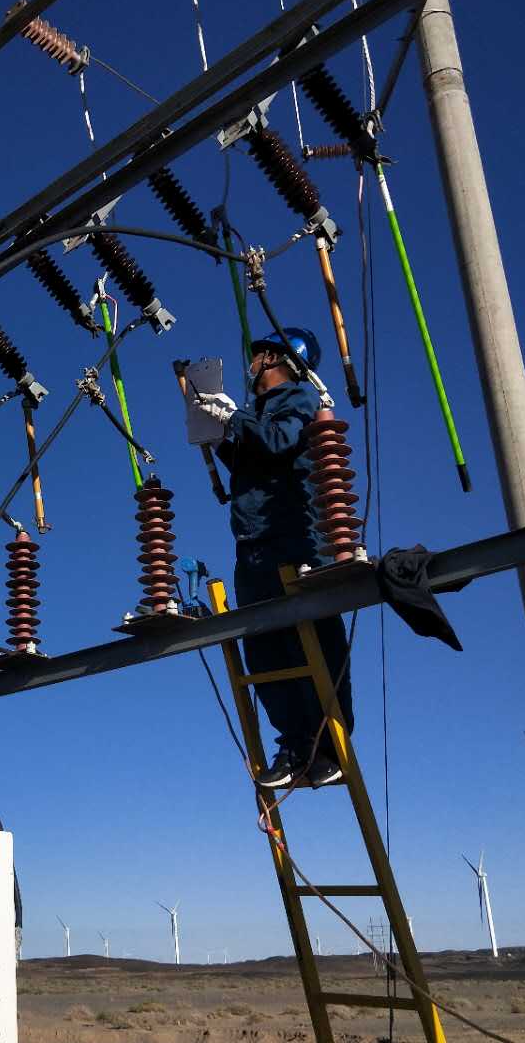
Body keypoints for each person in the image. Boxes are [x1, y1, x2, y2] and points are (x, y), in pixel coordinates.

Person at [190, 328, 352, 789]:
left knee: (314, 641)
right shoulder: (254, 413)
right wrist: (211, 427)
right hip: (253, 542)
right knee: (264, 650)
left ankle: (329, 744)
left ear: (277, 358)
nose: (250, 362)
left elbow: (280, 441)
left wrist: (232, 417)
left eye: (257, 354)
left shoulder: (298, 396)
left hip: (295, 539)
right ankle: (295, 744)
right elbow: (250, 462)